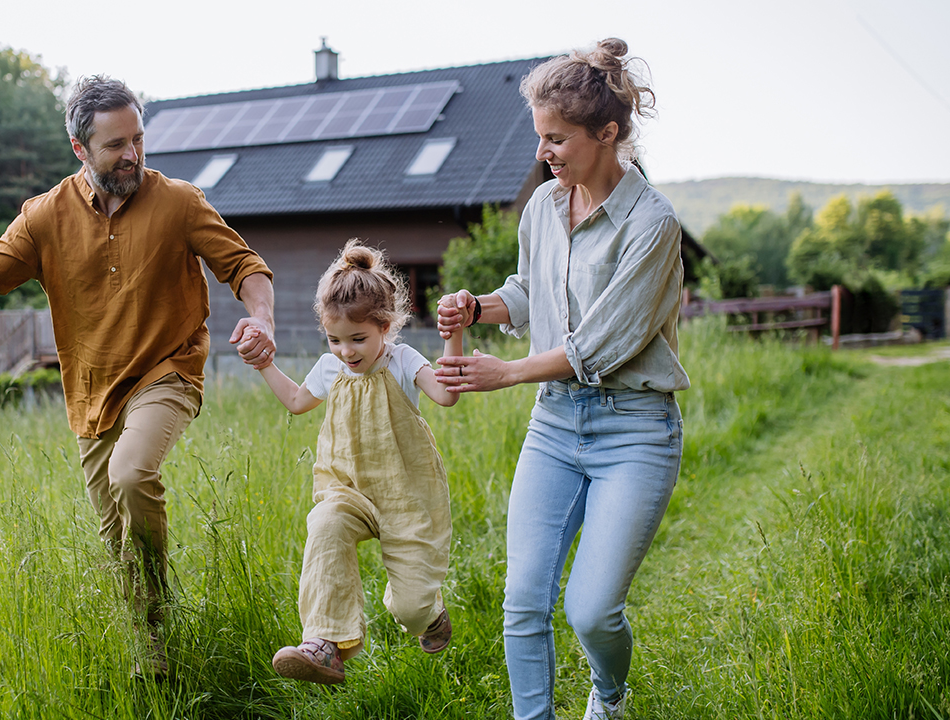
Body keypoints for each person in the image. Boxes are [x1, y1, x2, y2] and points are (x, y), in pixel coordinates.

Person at [0, 75, 276, 677]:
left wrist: (261, 318)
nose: (133, 155)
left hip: (167, 373)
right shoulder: (45, 217)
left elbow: (245, 265)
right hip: (91, 395)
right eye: (116, 145)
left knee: (133, 472)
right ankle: (156, 647)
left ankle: (157, 620)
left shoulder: (179, 202)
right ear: (79, 149)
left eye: (138, 139)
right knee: (117, 544)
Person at [434, 39, 688, 720]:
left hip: (634, 429)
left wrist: (508, 371)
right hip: (555, 424)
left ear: (607, 134)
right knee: (523, 602)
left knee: (592, 609)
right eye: (540, 136)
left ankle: (610, 695)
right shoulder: (544, 207)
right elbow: (528, 291)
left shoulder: (652, 224)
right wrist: (479, 307)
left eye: (557, 138)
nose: (544, 151)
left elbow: (601, 342)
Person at [250, 240, 462, 686]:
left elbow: (446, 395)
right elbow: (294, 401)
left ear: (385, 327)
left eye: (358, 339)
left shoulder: (403, 361)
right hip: (347, 491)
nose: (346, 351)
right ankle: (325, 644)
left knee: (410, 610)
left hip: (406, 496)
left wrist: (453, 335)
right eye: (335, 339)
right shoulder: (331, 368)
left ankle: (429, 614)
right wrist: (265, 363)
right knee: (324, 524)